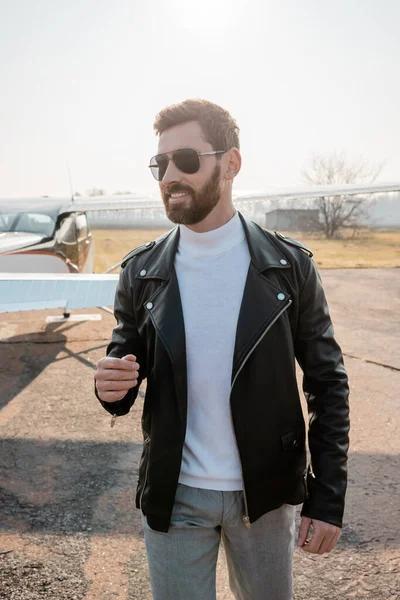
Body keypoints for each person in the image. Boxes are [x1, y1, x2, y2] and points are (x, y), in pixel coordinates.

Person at [94, 99, 350, 600]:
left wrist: (329, 497)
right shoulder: (141, 272)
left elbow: (327, 383)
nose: (169, 175)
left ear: (230, 164)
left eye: (185, 160)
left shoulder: (289, 266)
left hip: (266, 495)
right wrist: (108, 387)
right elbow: (122, 369)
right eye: (159, 164)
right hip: (175, 494)